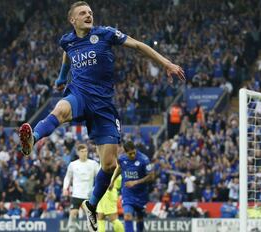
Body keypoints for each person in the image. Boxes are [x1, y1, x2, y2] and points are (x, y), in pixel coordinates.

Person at [18, 1, 185, 231]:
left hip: (104, 106)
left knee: (108, 165)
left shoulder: (105, 34)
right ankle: (32, 139)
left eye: (90, 12)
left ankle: (92, 205)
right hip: (79, 94)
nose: (88, 15)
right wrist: (61, 79)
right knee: (60, 110)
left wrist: (166, 63)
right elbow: (67, 55)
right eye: (82, 13)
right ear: (72, 20)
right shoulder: (67, 40)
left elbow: (137, 45)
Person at [111, 141, 155, 232]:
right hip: (128, 192)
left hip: (141, 193)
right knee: (127, 216)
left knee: (139, 217)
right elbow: (119, 168)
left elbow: (151, 176)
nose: (132, 155)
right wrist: (112, 181)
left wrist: (136, 182)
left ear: (135, 149)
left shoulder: (144, 159)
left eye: (133, 152)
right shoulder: (122, 159)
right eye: (130, 154)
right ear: (125, 152)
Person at [63, 144, 99, 232]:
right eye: (82, 152)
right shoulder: (73, 165)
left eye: (85, 151)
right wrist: (65, 188)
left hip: (89, 195)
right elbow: (67, 177)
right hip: (76, 194)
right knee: (73, 213)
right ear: (78, 153)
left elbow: (99, 178)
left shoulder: (93, 164)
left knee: (91, 218)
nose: (84, 153)